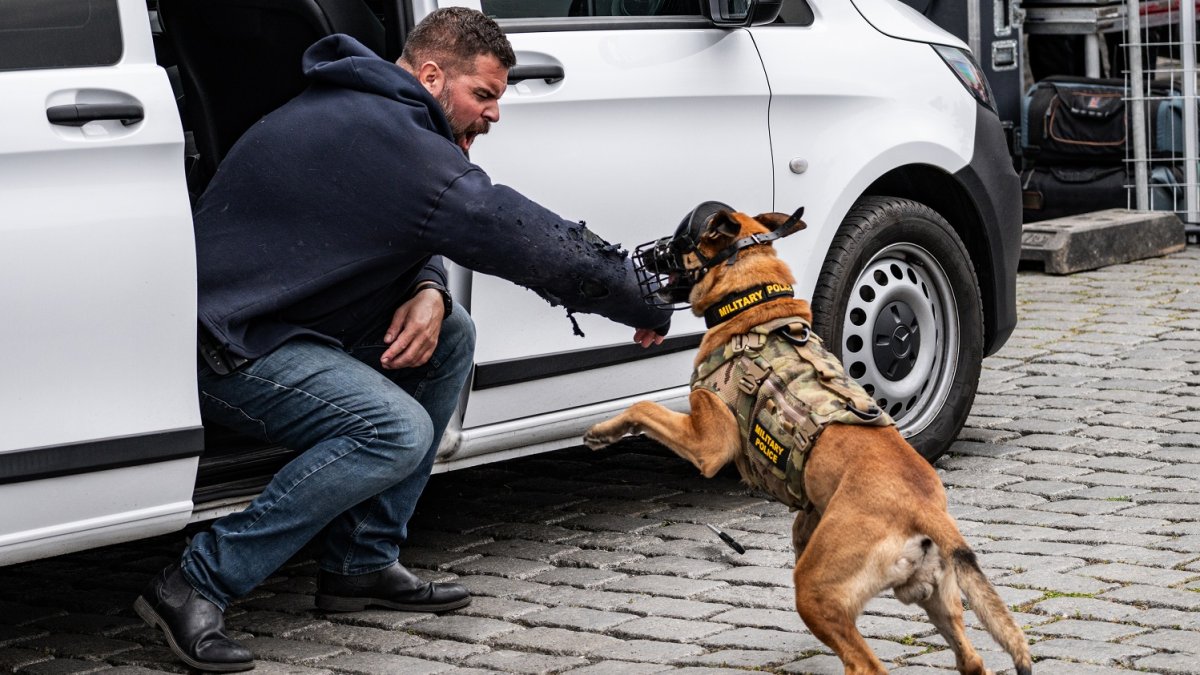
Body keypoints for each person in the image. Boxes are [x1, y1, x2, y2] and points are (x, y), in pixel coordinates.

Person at [133, 7, 671, 672]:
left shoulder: (370, 113)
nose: (494, 115)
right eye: (484, 95)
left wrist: (430, 288)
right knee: (394, 430)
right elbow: (514, 232)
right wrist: (637, 294)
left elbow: (395, 219)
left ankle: (360, 564)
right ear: (431, 74)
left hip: (286, 322)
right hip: (231, 346)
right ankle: (193, 582)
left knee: (451, 333)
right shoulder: (390, 137)